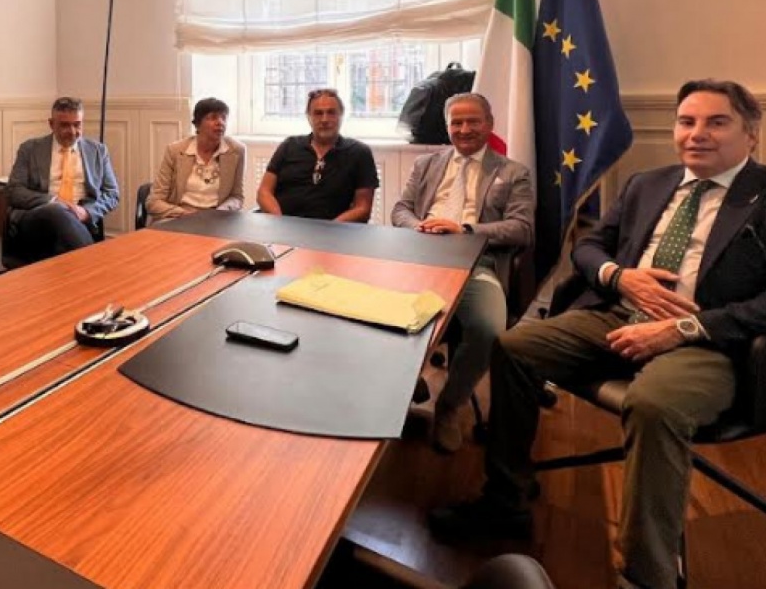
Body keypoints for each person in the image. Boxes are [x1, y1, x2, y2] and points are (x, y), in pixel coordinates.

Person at [430, 79, 766, 589]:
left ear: (751, 134)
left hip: (705, 339)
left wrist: (685, 326)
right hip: (616, 314)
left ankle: (647, 573)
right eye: (686, 121)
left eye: (716, 122)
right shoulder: (647, 184)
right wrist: (618, 275)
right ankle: (505, 500)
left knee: (654, 404)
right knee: (513, 347)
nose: (697, 133)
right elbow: (589, 248)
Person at [390, 92, 534, 452]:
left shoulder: (513, 172)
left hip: (476, 263)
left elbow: (522, 229)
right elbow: (400, 209)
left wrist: (465, 230)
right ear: (447, 126)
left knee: (488, 329)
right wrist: (419, 226)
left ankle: (450, 405)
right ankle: (401, 384)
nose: (464, 129)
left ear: (490, 124)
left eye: (473, 121)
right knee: (376, 313)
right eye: (457, 122)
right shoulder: (426, 164)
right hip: (419, 257)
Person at [7, 96, 120, 261]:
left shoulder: (98, 151)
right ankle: (93, 261)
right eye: (65, 125)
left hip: (80, 220)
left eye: (77, 124)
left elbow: (112, 193)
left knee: (65, 243)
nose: (72, 131)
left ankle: (84, 265)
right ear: (51, 124)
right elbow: (14, 191)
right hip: (37, 218)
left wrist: (87, 212)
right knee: (57, 211)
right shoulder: (30, 149)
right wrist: (54, 202)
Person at [257, 88, 379, 222]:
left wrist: (330, 229)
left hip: (334, 230)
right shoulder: (289, 145)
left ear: (341, 115)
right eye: (318, 113)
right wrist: (279, 222)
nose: (324, 119)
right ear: (309, 117)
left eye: (331, 112)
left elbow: (363, 208)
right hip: (282, 226)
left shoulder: (359, 153)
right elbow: (264, 192)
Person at [145, 97, 246, 222]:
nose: (220, 122)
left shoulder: (236, 151)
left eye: (224, 118)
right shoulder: (175, 151)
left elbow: (237, 197)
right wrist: (184, 213)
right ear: (198, 124)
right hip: (179, 217)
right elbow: (154, 201)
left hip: (217, 219)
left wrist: (220, 212)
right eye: (213, 117)